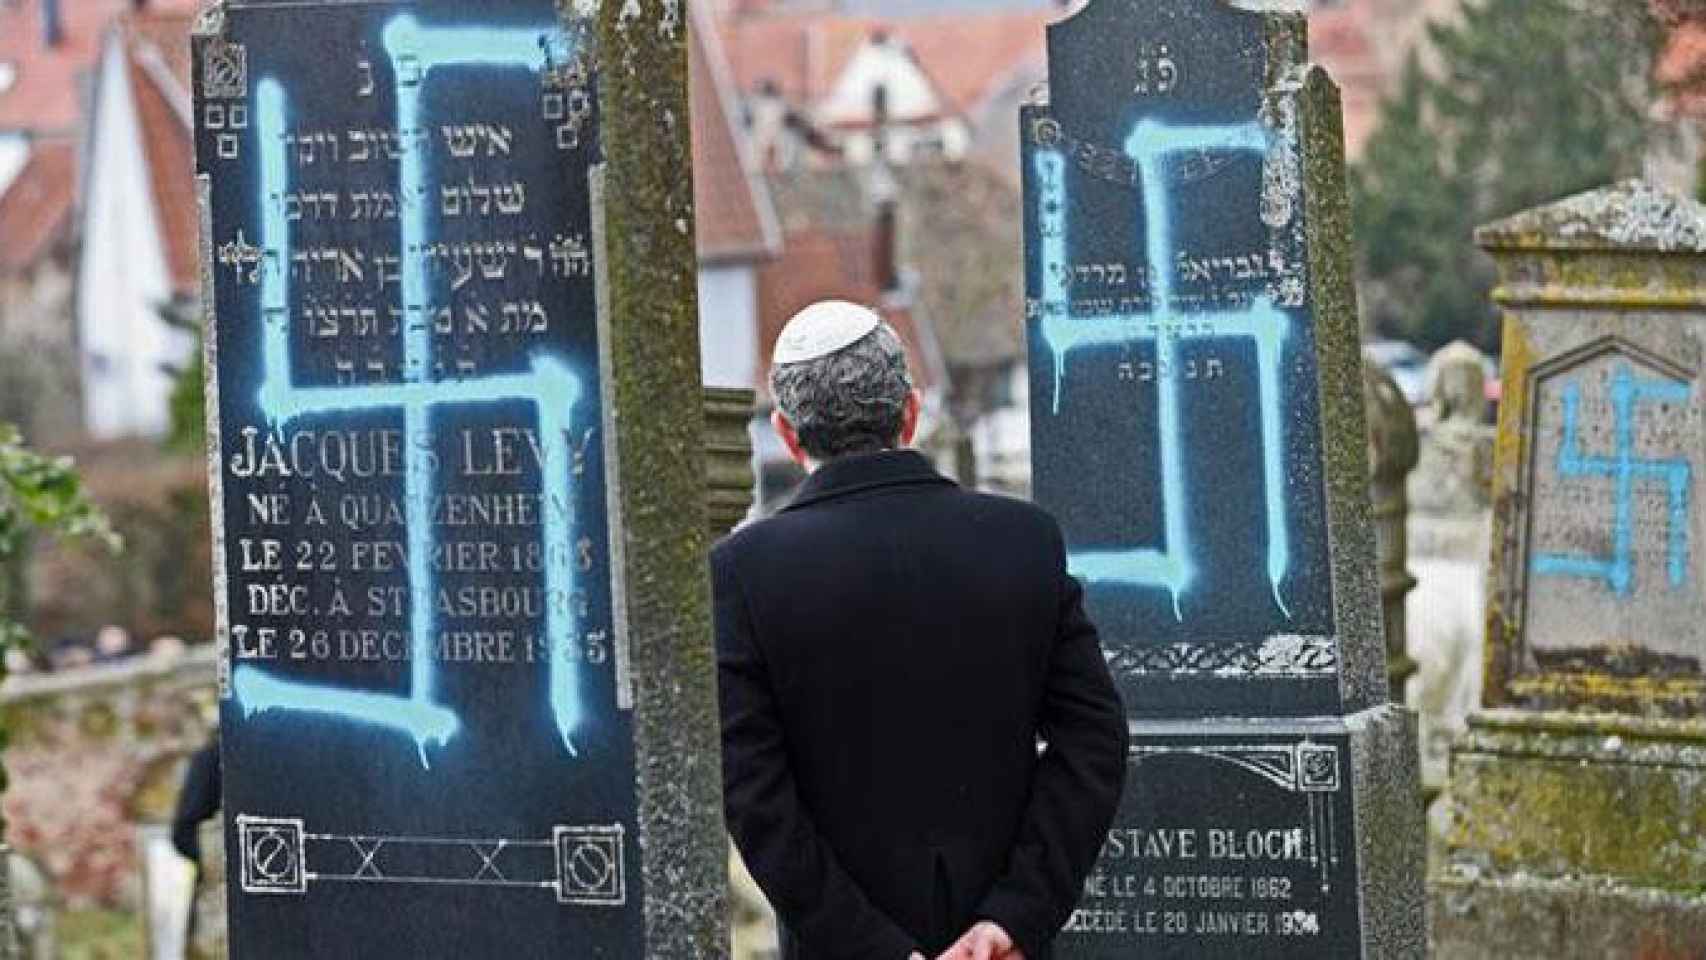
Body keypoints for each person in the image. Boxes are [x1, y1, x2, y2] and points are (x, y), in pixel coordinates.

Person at [714, 301, 1128, 960]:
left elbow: (754, 795)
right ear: (909, 413)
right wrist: (1016, 914)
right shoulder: (1022, 540)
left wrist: (872, 947)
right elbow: (1095, 737)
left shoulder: (742, 574)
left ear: (789, 436)